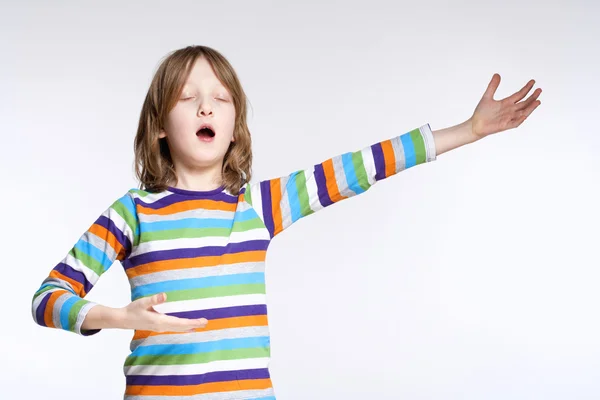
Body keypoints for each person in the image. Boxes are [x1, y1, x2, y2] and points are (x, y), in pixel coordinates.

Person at [31, 45, 542, 399]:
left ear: (234, 128)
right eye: (187, 97)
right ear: (160, 126)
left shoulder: (258, 206)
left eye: (221, 98)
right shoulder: (132, 212)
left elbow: (358, 168)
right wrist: (119, 317)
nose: (206, 105)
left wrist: (467, 131)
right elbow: (47, 299)